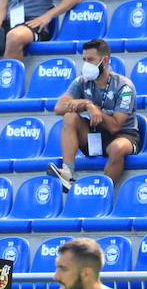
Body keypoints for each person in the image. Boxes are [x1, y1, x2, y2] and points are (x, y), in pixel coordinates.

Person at [47, 38, 141, 191]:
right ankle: (68, 173)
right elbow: (59, 108)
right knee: (70, 116)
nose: (86, 64)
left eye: (90, 60)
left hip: (124, 135)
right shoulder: (81, 82)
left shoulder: (124, 86)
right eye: (84, 60)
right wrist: (86, 104)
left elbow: (116, 126)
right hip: (95, 133)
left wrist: (94, 108)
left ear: (105, 60)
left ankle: (102, 191)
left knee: (118, 148)